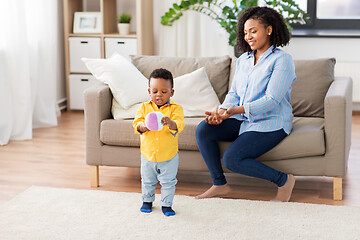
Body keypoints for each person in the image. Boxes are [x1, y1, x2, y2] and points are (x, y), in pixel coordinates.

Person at [195, 6, 296, 202]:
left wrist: (235, 110)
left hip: (271, 121)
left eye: (253, 31)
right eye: (245, 32)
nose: (248, 36)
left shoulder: (282, 60)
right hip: (242, 118)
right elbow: (234, 93)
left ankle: (283, 180)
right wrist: (222, 112)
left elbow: (272, 100)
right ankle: (219, 185)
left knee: (232, 159)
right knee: (204, 129)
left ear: (269, 29)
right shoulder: (243, 60)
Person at [133, 68, 185, 216]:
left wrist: (170, 123)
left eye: (164, 91)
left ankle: (167, 205)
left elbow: (179, 125)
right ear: (149, 91)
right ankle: (147, 201)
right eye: (155, 91)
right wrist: (143, 126)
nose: (159, 95)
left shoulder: (176, 109)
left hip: (168, 155)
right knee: (147, 180)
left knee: (168, 182)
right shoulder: (143, 107)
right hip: (148, 155)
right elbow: (136, 124)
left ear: (171, 92)